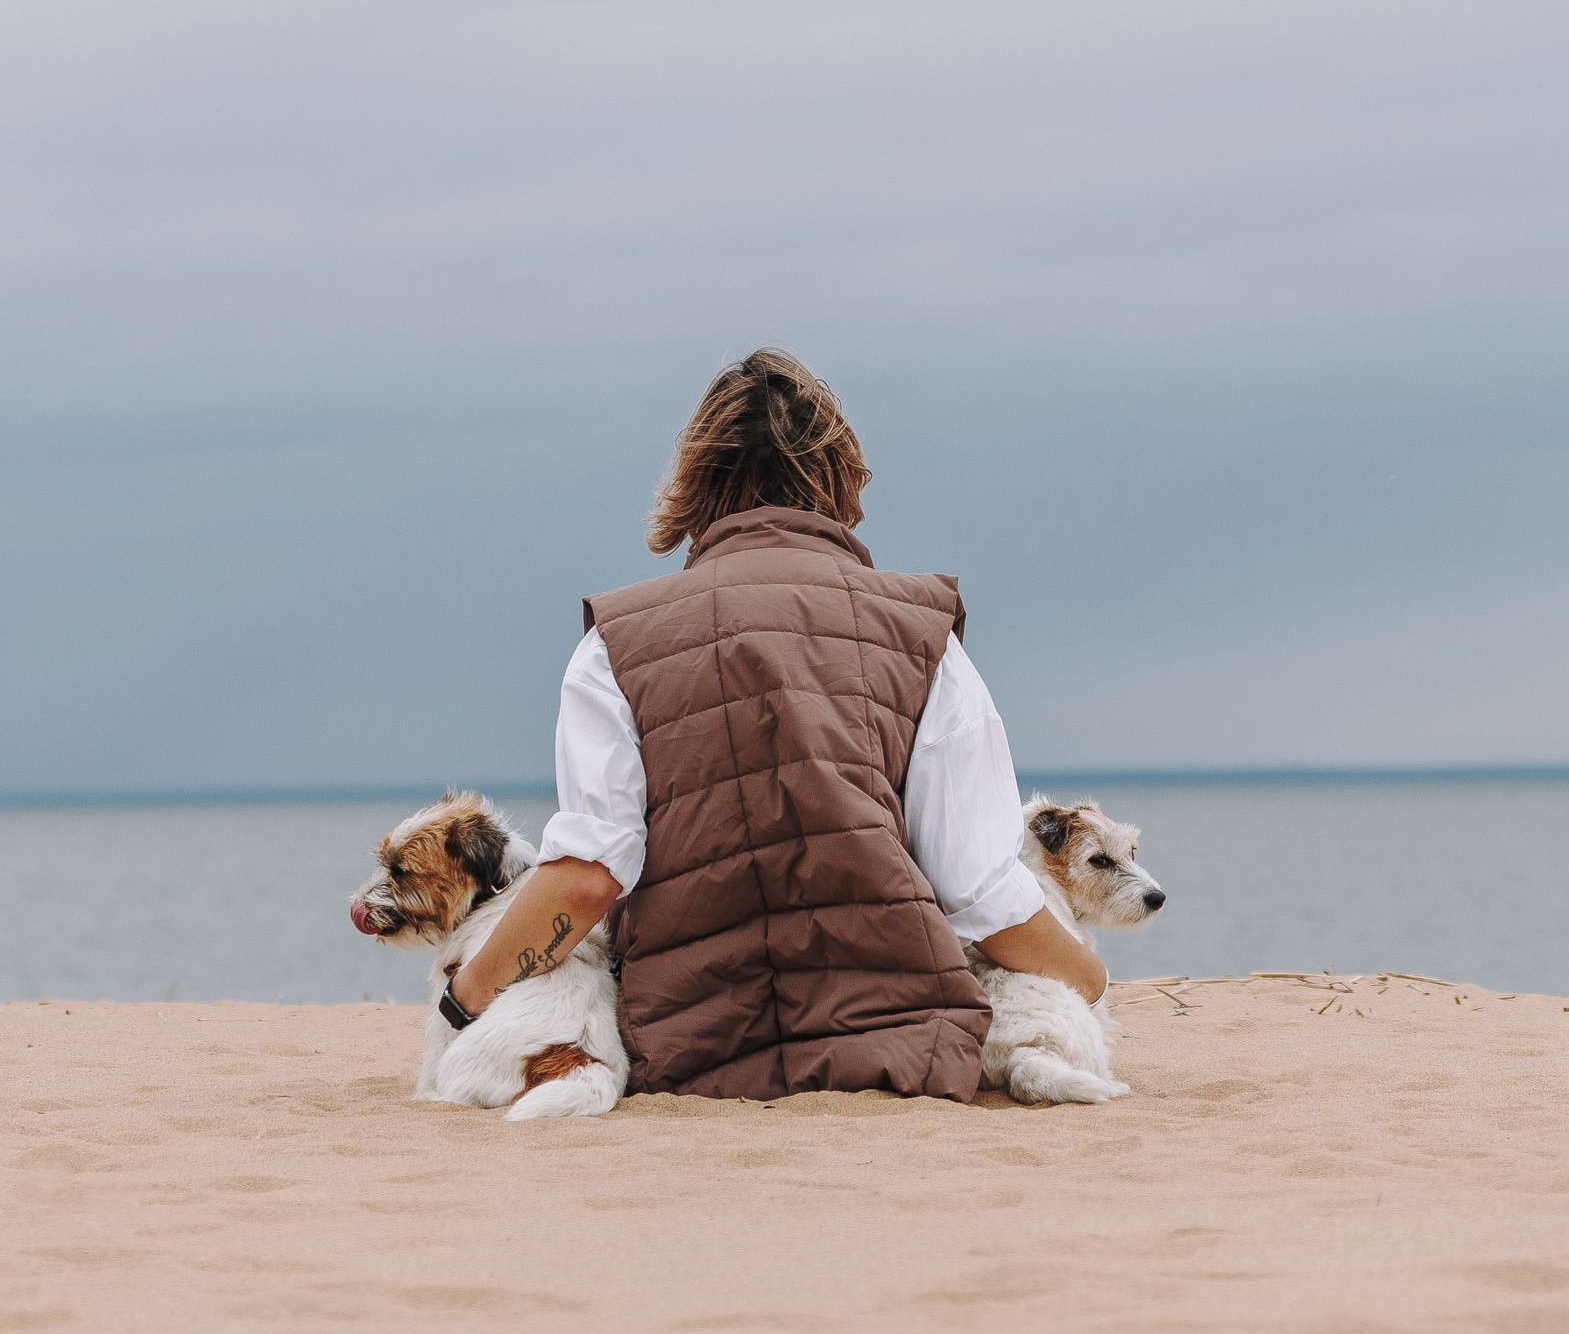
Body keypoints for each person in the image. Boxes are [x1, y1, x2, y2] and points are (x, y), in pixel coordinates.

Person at [444, 349, 1104, 1100]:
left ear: (694, 480)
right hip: (900, 1050)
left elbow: (588, 878)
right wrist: (1091, 975)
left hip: (693, 1059)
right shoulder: (924, 636)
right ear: (841, 476)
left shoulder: (614, 645)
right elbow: (979, 889)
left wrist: (466, 996)